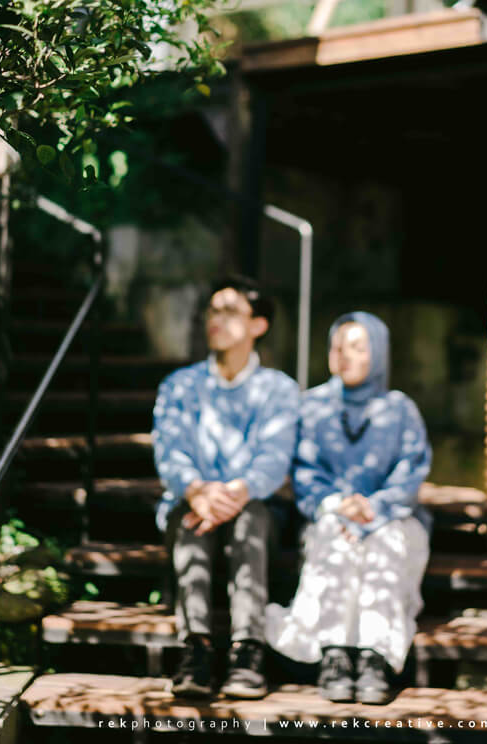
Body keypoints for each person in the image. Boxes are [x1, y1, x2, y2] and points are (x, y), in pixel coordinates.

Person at [265, 311, 431, 705]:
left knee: (386, 541)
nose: (344, 355)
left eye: (357, 347)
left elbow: (411, 471)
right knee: (333, 536)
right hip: (333, 516)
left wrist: (373, 508)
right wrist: (338, 505)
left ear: (379, 353)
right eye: (337, 346)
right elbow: (304, 471)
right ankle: (335, 653)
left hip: (391, 516)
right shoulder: (313, 405)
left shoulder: (400, 409)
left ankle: (374, 656)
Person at [152, 275, 299, 699]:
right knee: (190, 521)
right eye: (213, 310)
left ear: (259, 325)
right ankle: (195, 650)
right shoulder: (179, 385)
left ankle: (247, 652)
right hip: (192, 503)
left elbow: (274, 460)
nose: (216, 319)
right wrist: (196, 491)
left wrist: (232, 495)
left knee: (250, 519)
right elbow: (169, 452)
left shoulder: (279, 389)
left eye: (230, 311)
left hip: (254, 507)